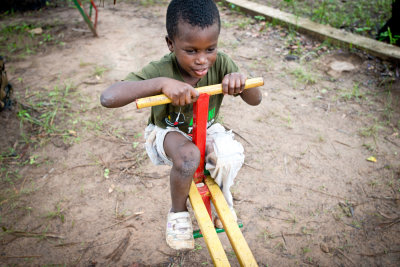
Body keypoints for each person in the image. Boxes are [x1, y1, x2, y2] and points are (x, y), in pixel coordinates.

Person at [100, 0, 262, 250]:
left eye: (210, 49)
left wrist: (240, 82)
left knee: (227, 155)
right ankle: (178, 214)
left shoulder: (221, 63)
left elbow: (256, 100)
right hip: (167, 132)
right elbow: (108, 98)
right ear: (170, 44)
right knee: (189, 157)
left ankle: (223, 203)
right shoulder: (161, 69)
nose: (202, 60)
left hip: (205, 129)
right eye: (191, 51)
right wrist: (161, 83)